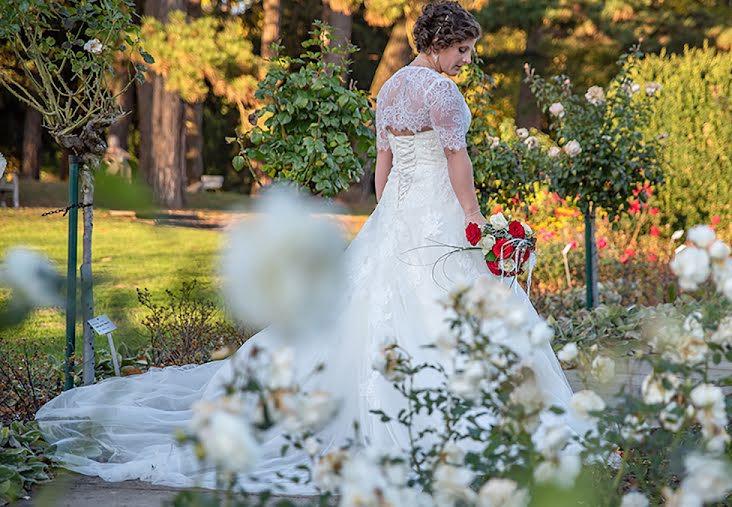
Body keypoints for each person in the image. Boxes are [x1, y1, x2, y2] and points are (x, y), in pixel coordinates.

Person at [36, 0, 577, 495]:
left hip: (397, 215)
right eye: (463, 49)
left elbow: (384, 159)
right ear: (439, 44)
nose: (468, 59)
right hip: (438, 214)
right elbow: (457, 158)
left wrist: (385, 213)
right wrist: (474, 216)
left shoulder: (389, 89)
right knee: (456, 307)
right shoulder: (442, 91)